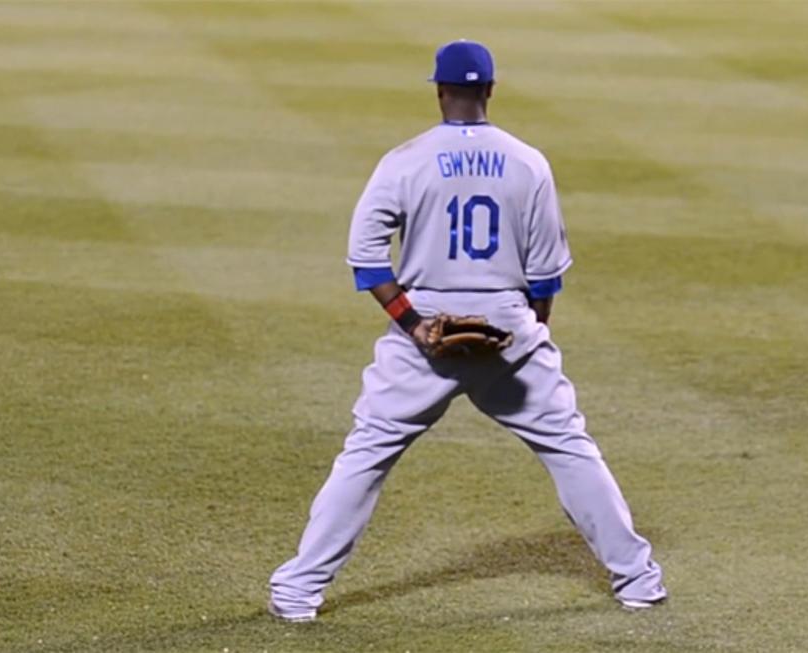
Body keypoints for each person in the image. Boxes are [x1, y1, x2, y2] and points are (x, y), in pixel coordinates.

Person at [268, 40, 666, 622]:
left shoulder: (405, 159)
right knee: (570, 449)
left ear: (438, 90)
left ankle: (299, 591)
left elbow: (368, 260)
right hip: (509, 323)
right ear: (490, 91)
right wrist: (525, 335)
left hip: (423, 329)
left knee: (367, 453)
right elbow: (546, 276)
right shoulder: (528, 161)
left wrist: (415, 326)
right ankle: (639, 581)